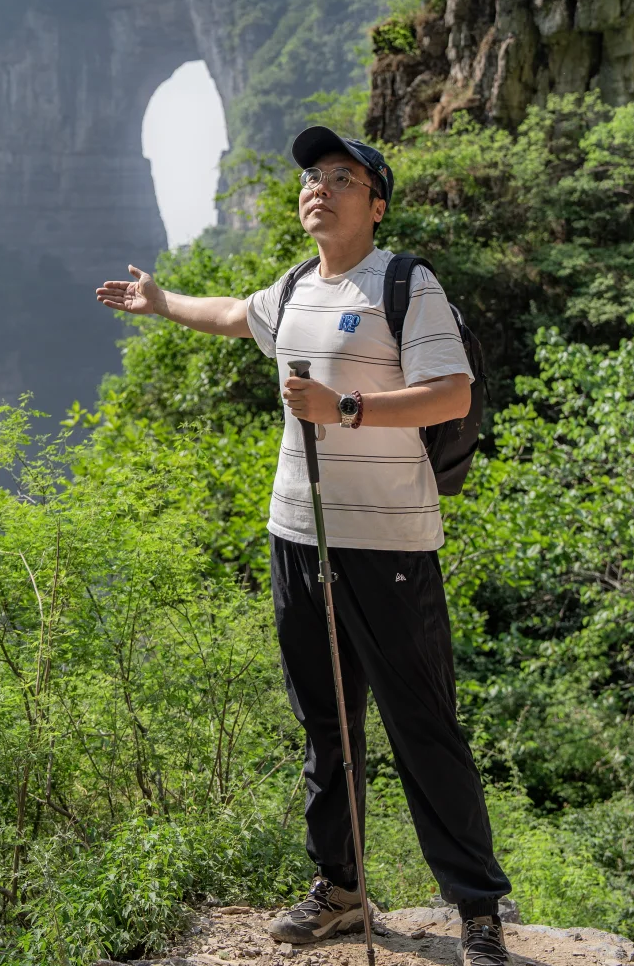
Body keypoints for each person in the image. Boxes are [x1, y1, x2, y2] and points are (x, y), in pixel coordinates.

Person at [96, 125, 511, 966]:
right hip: (298, 536)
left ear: (377, 203)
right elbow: (232, 314)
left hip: (386, 544)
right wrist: (163, 303)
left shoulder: (404, 284)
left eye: (342, 177)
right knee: (325, 725)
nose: (318, 186)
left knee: (421, 724)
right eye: (311, 176)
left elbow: (449, 392)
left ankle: (476, 908)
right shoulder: (291, 289)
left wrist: (345, 410)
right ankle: (342, 886)